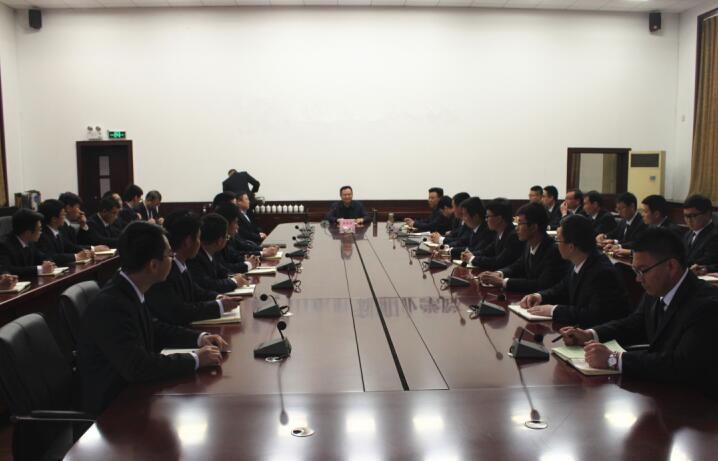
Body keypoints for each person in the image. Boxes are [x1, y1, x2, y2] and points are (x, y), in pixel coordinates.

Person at [78, 221, 228, 415]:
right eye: (169, 255)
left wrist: (199, 338)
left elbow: (154, 328)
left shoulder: (128, 288)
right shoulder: (111, 305)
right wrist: (195, 359)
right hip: (113, 410)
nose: (172, 259)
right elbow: (138, 366)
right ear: (153, 265)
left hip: (135, 393)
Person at [558, 228, 718, 389]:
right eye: (635, 270)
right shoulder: (657, 289)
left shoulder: (706, 305)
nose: (637, 279)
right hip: (660, 387)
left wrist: (614, 360)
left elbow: (681, 365)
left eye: (642, 270)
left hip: (695, 397)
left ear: (671, 266)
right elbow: (635, 324)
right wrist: (590, 334)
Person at [518, 214, 629, 328]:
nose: (556, 245)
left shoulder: (602, 272)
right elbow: (562, 288)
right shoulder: (578, 261)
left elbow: (593, 315)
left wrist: (553, 310)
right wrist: (539, 296)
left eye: (558, 240)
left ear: (571, 247)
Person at [145, 211, 241, 326]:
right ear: (188, 241)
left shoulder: (181, 263)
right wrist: (219, 306)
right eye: (199, 238)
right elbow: (179, 311)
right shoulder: (166, 270)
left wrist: (218, 297)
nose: (200, 243)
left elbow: (196, 291)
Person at [479, 202, 568, 293]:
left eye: (520, 223)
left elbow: (541, 284)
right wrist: (499, 273)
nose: (516, 228)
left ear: (533, 227)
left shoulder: (553, 251)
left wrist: (503, 282)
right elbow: (518, 266)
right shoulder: (528, 244)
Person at [187, 213, 249, 294]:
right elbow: (209, 284)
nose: (227, 240)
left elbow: (223, 271)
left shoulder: (212, 252)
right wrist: (234, 281)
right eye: (226, 237)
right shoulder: (195, 257)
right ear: (219, 241)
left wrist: (235, 276)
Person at [461, 198, 524, 270]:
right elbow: (487, 251)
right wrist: (470, 254)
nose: (486, 220)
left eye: (488, 216)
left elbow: (499, 262)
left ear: (499, 218)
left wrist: (472, 259)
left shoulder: (513, 236)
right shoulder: (499, 233)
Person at [0, 209, 57, 277]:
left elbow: (43, 256)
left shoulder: (30, 242)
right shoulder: (4, 245)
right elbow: (8, 270)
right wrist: (40, 269)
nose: (41, 233)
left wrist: (49, 263)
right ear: (28, 233)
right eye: (39, 230)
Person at [36, 199, 93, 265]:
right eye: (63, 214)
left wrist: (91, 250)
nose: (65, 216)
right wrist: (76, 256)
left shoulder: (58, 231)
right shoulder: (42, 235)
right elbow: (51, 256)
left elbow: (70, 247)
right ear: (54, 219)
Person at [680, 194, 718, 274]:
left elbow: (705, 261)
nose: (689, 220)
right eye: (686, 216)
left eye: (693, 216)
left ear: (707, 214)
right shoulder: (688, 234)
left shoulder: (715, 236)